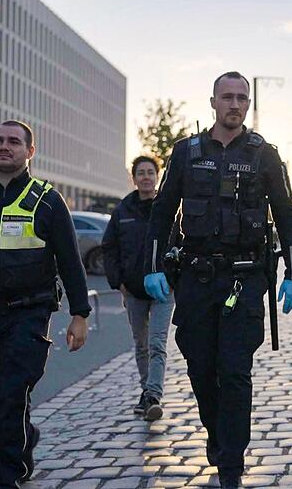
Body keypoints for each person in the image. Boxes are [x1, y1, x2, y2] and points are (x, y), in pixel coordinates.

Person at [143, 71, 292, 489]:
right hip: (196, 279)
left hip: (244, 279)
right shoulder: (186, 152)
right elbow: (162, 212)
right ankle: (217, 435)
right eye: (227, 97)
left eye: (241, 98)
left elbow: (286, 215)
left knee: (234, 371)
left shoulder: (264, 155)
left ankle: (231, 463)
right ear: (213, 102)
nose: (235, 104)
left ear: (248, 104)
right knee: (200, 367)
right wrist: (153, 266)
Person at [0, 120, 90, 488]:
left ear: (30, 151)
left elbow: (70, 261)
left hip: (29, 312)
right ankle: (22, 434)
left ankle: (7, 472)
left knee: (13, 390)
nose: (4, 146)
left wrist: (80, 314)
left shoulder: (48, 200)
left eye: (13, 141)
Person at [102, 155, 174, 421]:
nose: (146, 177)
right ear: (134, 179)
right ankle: (146, 391)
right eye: (141, 173)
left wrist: (175, 277)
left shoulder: (168, 208)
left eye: (150, 172)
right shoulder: (123, 211)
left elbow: (180, 244)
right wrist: (119, 284)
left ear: (157, 176)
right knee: (141, 344)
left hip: (164, 289)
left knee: (157, 343)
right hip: (133, 290)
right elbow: (109, 248)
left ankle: (153, 395)